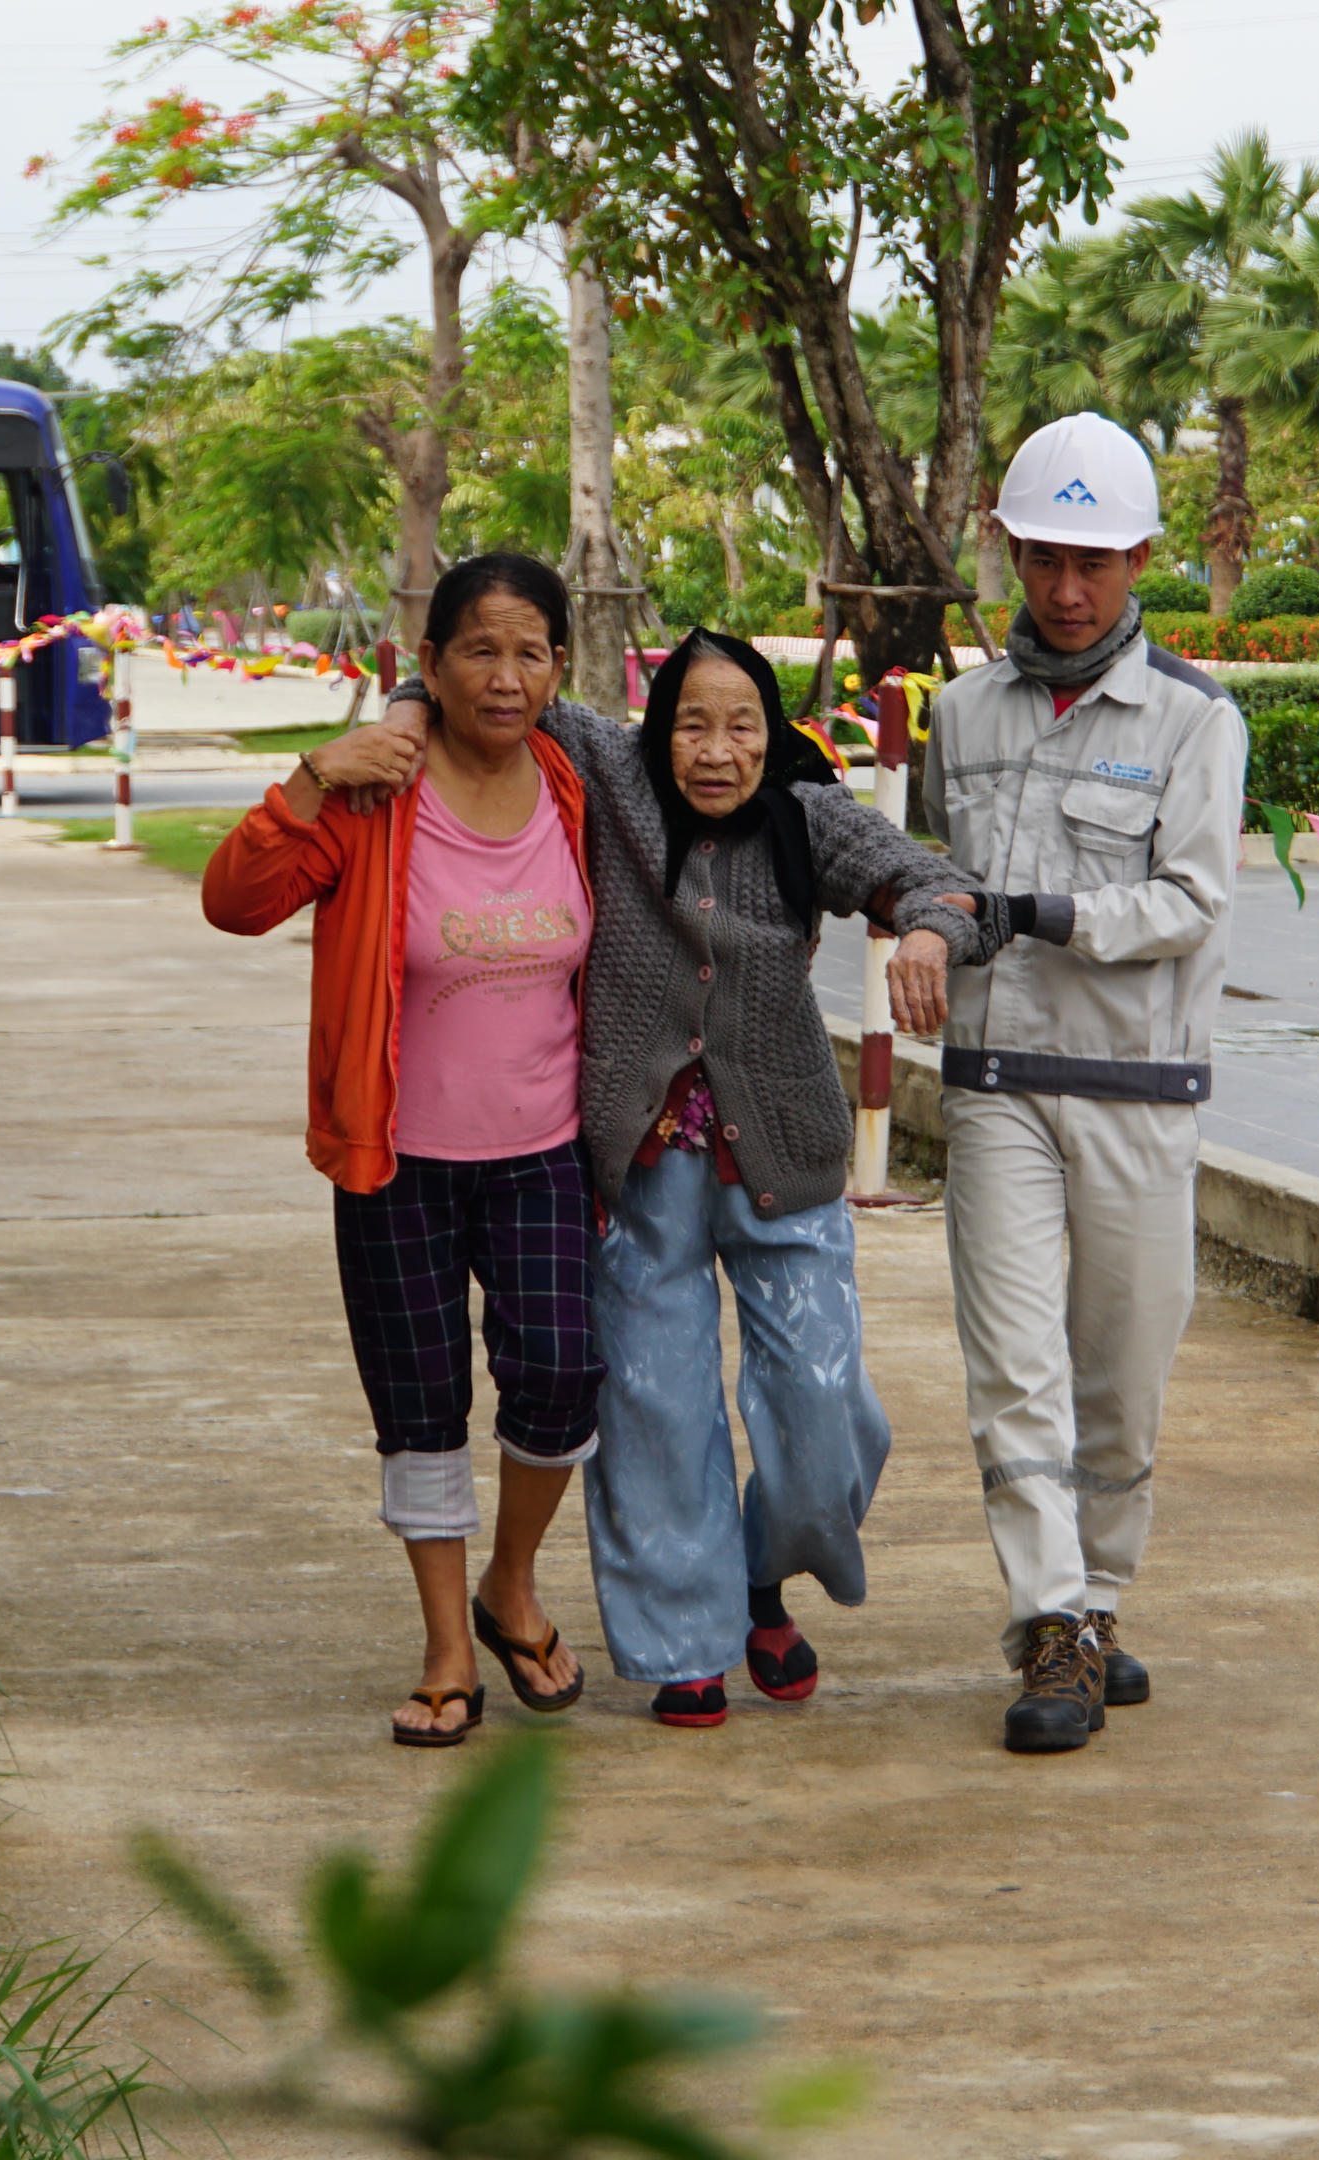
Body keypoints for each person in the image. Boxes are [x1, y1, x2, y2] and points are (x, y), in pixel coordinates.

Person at [379, 632, 1005, 1726]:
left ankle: (757, 1571)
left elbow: (944, 886)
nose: (717, 751)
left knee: (823, 1409)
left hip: (784, 1156)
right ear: (656, 732)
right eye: (692, 725)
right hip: (638, 1164)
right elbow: (487, 687)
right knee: (656, 1411)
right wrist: (398, 711)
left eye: (742, 725)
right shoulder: (613, 775)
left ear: (773, 733)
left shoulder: (809, 815)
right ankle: (688, 1641)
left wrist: (925, 935)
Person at [199, 551, 601, 1748]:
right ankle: (445, 1649)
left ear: (560, 668)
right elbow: (234, 901)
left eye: (530, 652)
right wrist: (314, 775)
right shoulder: (378, 793)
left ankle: (509, 1587)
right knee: (420, 1407)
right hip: (396, 1160)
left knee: (562, 1375)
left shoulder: (574, 783)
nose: (506, 677)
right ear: (430, 664)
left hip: (544, 1152)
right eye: (479, 650)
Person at [915, 411, 1245, 1755]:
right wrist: (928, 924)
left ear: (1141, 561)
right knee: (1014, 1368)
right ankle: (1049, 1623)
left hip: (1138, 1090)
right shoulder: (958, 716)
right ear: (1006, 548)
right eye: (1044, 558)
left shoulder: (1194, 719)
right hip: (996, 1085)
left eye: (1092, 563)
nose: (1065, 590)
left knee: (1121, 1374)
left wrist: (1044, 913)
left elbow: (1193, 901)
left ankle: (1100, 1603)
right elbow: (928, 874)